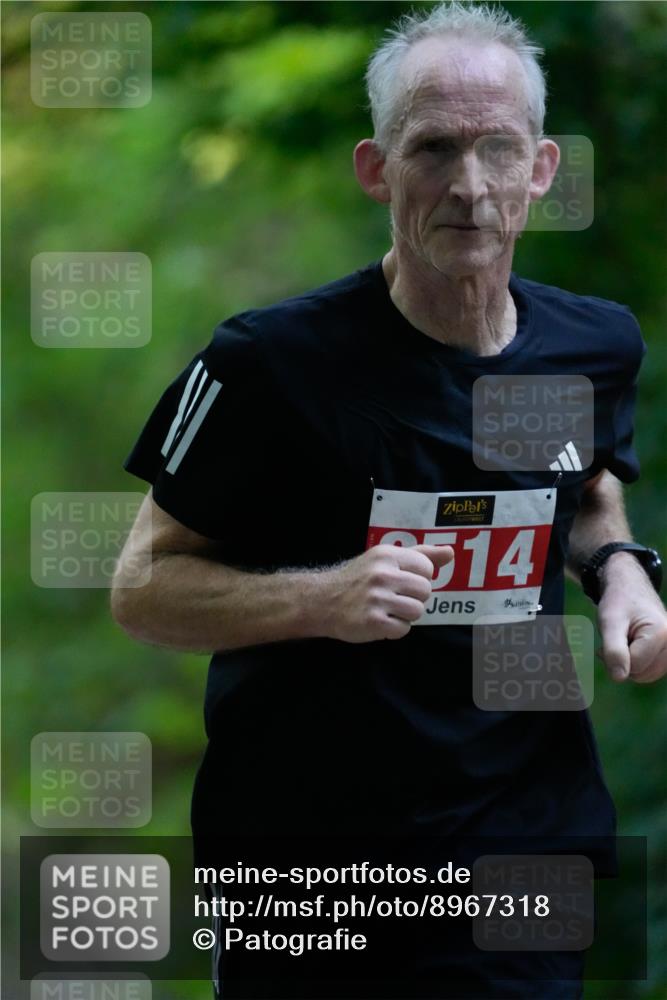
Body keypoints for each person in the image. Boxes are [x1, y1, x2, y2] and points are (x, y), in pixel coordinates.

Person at [112, 3, 666, 998]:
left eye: (498, 150)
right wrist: (323, 600)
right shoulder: (273, 366)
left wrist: (622, 573)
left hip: (516, 840)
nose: (468, 185)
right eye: (433, 150)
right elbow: (143, 587)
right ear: (377, 168)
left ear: (540, 169)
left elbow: (582, 494)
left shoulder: (588, 346)